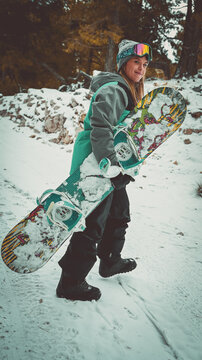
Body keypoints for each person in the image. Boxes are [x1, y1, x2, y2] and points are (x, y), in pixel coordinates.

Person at [56, 39, 152, 301]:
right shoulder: (114, 88)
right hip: (95, 162)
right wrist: (109, 163)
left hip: (107, 164)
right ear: (123, 63)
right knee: (93, 221)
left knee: (119, 211)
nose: (141, 68)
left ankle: (110, 260)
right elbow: (100, 126)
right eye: (136, 62)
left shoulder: (127, 91)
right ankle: (70, 282)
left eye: (144, 64)